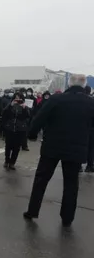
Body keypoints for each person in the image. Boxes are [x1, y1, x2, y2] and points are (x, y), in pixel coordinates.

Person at [24, 74, 94, 227]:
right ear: (84, 85)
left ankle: (32, 211)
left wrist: (32, 134)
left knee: (41, 180)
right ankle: (67, 218)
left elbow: (39, 118)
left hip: (52, 146)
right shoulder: (90, 103)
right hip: (76, 149)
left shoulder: (57, 99)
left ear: (69, 84)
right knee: (71, 184)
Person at [2, 92, 30, 170]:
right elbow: (4, 114)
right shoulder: (10, 105)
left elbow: (28, 117)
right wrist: (10, 106)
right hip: (10, 128)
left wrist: (24, 108)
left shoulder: (25, 106)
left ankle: (12, 163)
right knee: (8, 146)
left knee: (16, 147)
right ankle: (6, 161)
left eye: (19, 98)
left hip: (20, 129)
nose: (17, 100)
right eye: (16, 98)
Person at [83, 86, 94, 173]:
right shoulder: (92, 101)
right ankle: (89, 166)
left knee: (80, 147)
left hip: (80, 128)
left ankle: (78, 166)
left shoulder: (79, 100)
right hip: (91, 128)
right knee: (91, 148)